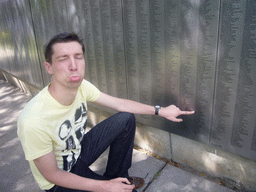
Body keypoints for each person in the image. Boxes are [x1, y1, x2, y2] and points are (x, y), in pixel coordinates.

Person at [17, 33, 194, 192]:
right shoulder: (33, 120)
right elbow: (52, 175)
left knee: (125, 119)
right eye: (63, 58)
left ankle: (118, 178)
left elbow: (120, 104)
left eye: (78, 57)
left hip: (77, 152)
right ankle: (112, 185)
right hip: (60, 181)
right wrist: (104, 187)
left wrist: (160, 111)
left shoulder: (81, 87)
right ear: (49, 67)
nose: (73, 65)